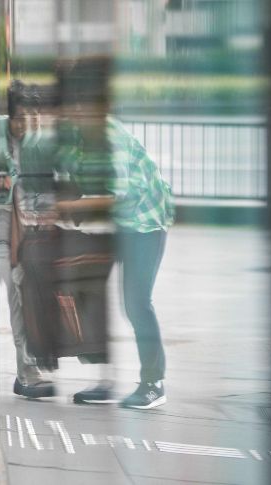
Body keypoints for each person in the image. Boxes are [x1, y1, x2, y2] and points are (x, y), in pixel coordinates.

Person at [59, 115, 175, 409]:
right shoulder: (75, 132)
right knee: (94, 297)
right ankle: (106, 381)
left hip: (144, 224)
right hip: (116, 226)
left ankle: (153, 383)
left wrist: (71, 206)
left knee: (136, 303)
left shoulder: (110, 134)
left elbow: (122, 194)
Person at [0, 81, 55, 398]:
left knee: (28, 293)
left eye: (33, 117)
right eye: (20, 118)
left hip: (29, 230)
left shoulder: (40, 141)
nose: (27, 124)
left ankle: (33, 363)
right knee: (17, 292)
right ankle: (27, 369)